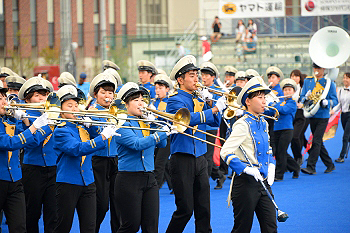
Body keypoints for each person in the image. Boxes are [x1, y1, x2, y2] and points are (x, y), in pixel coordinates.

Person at [166, 55, 225, 232]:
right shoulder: (174, 100)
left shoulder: (199, 97)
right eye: (191, 75)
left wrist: (210, 102)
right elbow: (188, 119)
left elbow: (214, 123)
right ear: (180, 79)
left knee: (204, 209)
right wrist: (213, 109)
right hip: (182, 158)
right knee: (185, 210)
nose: (196, 79)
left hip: (200, 156)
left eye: (196, 75)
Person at [53, 85, 118, 233]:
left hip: (88, 182)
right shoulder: (61, 130)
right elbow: (77, 149)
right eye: (70, 106)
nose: (75, 108)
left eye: (76, 105)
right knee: (63, 226)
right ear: (61, 110)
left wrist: (93, 126)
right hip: (68, 182)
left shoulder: (82, 127)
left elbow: (99, 145)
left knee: (89, 226)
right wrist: (103, 136)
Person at [220, 76, 277, 233]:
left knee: (271, 226)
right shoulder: (242, 125)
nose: (264, 101)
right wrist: (245, 169)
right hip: (245, 184)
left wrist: (271, 165)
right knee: (242, 229)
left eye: (264, 97)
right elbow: (225, 151)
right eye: (260, 98)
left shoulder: (264, 123)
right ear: (248, 101)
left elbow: (268, 149)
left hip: (263, 182)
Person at [114, 82, 171, 232]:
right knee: (130, 226)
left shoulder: (145, 122)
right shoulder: (121, 124)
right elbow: (136, 144)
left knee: (151, 226)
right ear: (126, 104)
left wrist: (156, 125)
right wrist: (160, 133)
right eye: (136, 100)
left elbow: (163, 144)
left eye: (142, 100)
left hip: (149, 177)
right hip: (129, 179)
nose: (141, 103)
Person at [0, 80, 49, 233]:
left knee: (20, 227)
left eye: (4, 97)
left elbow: (30, 141)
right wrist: (34, 126)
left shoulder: (8, 119)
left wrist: (26, 121)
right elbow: (9, 143)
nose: (4, 102)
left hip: (15, 179)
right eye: (0, 99)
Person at [18, 77, 57, 233]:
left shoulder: (53, 113)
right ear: (28, 99)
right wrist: (48, 125)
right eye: (37, 95)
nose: (42, 99)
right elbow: (31, 142)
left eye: (44, 95)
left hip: (53, 167)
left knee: (53, 214)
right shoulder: (24, 116)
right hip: (32, 168)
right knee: (32, 213)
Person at [87, 73, 120, 233]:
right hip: (97, 161)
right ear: (95, 95)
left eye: (110, 93)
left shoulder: (117, 111)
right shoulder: (91, 112)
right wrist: (90, 123)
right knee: (100, 205)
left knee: (117, 204)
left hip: (116, 160)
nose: (107, 96)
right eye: (103, 92)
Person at [300, 62, 338, 175]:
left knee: (316, 140)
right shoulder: (308, 81)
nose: (316, 70)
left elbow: (335, 100)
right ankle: (330, 165)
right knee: (318, 142)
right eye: (315, 68)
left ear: (323, 69)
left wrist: (328, 102)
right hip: (312, 114)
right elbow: (302, 97)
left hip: (323, 116)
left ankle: (311, 167)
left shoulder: (329, 83)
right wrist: (305, 98)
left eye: (319, 68)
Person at [200, 62, 227, 189]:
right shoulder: (199, 88)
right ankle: (219, 175)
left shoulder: (219, 91)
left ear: (213, 77)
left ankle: (203, 183)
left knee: (208, 157)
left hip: (211, 127)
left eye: (206, 75)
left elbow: (218, 109)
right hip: (200, 125)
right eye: (202, 75)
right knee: (202, 156)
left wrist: (209, 100)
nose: (203, 77)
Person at [270, 78, 300, 180]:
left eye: (289, 90)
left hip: (287, 129)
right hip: (277, 129)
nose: (287, 92)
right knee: (279, 152)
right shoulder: (280, 102)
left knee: (281, 152)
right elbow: (270, 111)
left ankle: (279, 174)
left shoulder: (292, 103)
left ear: (293, 92)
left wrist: (273, 104)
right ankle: (295, 167)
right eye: (285, 90)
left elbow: (284, 110)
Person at [152, 74, 173, 191]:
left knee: (159, 164)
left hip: (167, 136)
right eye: (156, 88)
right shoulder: (154, 102)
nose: (157, 91)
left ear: (167, 89)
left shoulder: (170, 102)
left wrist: (155, 116)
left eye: (160, 88)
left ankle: (155, 188)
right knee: (163, 163)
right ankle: (174, 185)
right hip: (156, 135)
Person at [265, 66, 284, 157]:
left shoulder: (280, 90)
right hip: (266, 117)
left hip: (275, 118)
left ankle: (274, 158)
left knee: (273, 139)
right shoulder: (266, 90)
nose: (270, 80)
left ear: (278, 79)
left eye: (273, 77)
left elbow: (281, 104)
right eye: (269, 78)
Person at [332, 72, 350, 163]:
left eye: (347, 78)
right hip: (344, 115)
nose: (345, 80)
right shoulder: (341, 90)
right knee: (348, 136)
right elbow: (339, 104)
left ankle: (341, 156)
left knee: (345, 136)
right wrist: (333, 111)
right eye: (344, 78)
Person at [289, 69, 306, 165]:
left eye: (296, 76)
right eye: (292, 76)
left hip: (300, 115)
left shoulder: (303, 89)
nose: (294, 78)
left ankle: (299, 157)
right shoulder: (287, 88)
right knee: (294, 138)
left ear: (300, 78)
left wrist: (303, 104)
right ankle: (297, 158)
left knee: (295, 137)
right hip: (290, 115)